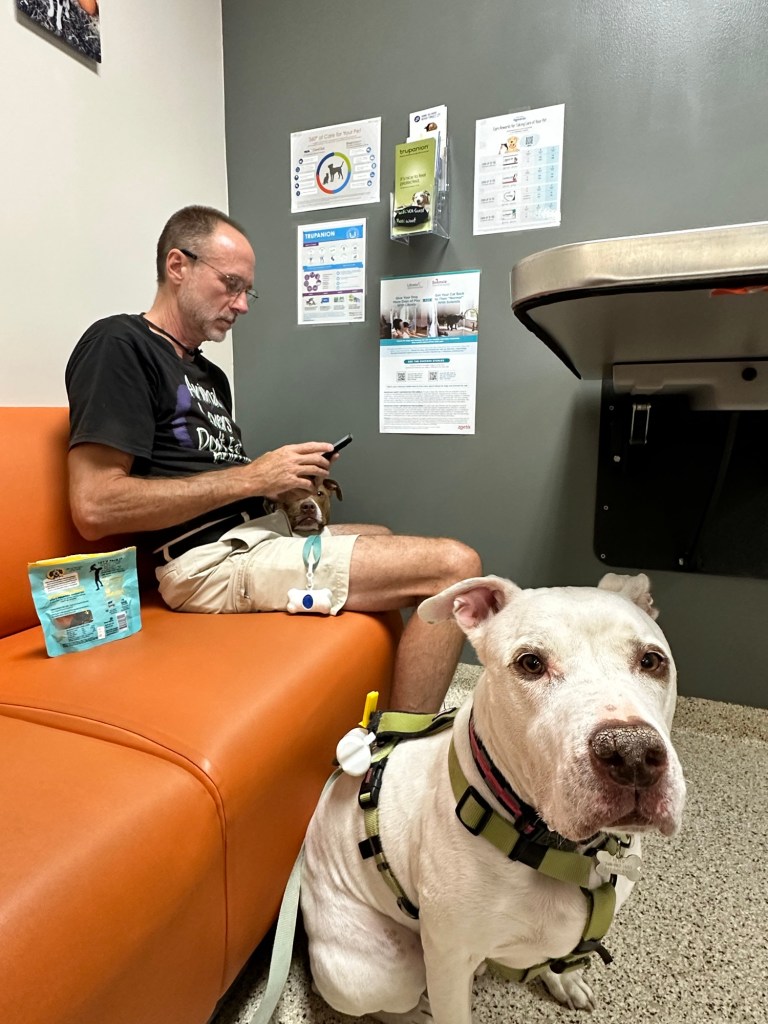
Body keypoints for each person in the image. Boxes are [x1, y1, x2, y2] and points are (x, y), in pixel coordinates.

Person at [66, 205, 481, 712]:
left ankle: (375, 712)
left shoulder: (208, 376)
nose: (242, 304)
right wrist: (252, 476)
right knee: (455, 567)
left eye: (247, 291)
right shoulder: (119, 345)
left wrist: (277, 484)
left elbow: (213, 479)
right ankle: (397, 756)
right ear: (178, 266)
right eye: (230, 284)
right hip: (203, 563)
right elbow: (95, 508)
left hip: (251, 535)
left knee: (384, 540)